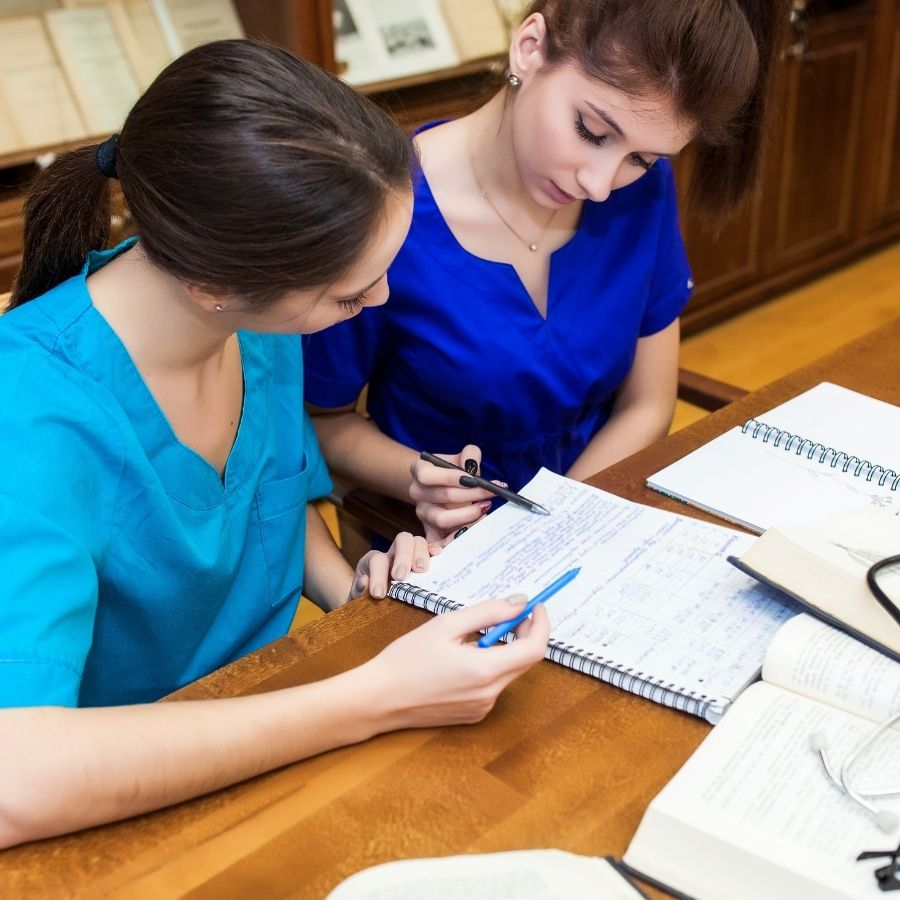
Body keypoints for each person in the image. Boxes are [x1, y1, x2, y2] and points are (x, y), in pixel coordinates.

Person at [0, 40, 550, 849]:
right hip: (105, 817)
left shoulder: (255, 321)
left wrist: (358, 585)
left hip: (271, 736)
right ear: (213, 285)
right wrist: (372, 697)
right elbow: (19, 779)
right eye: (349, 294)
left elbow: (274, 503)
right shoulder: (33, 413)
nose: (381, 300)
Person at [304, 0, 789, 543]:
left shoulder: (644, 194)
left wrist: (559, 520)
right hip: (425, 544)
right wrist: (418, 479)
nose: (601, 183)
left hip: (590, 517)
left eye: (642, 158)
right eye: (591, 130)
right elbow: (324, 421)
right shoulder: (384, 215)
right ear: (529, 47)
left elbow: (647, 403)